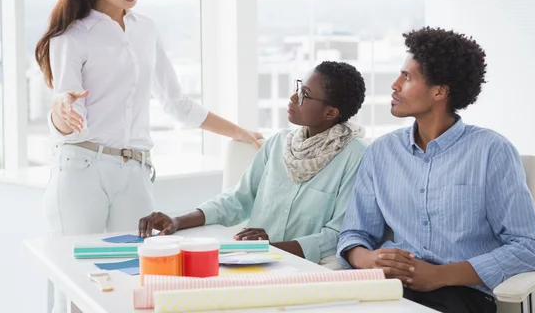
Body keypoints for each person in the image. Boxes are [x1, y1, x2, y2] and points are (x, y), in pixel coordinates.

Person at [34, 0, 260, 313]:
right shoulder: (72, 37)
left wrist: (241, 132)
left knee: (135, 277)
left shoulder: (146, 30)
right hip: (81, 167)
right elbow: (67, 108)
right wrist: (59, 112)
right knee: (76, 280)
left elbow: (177, 103)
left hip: (135, 170)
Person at [337, 27, 535, 313]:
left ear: (440, 91)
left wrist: (439, 276)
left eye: (407, 76)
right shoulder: (381, 152)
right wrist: (367, 259)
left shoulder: (491, 151)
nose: (395, 85)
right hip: (386, 288)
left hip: (460, 296)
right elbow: (355, 233)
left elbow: (530, 248)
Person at [139, 61, 367, 265]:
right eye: (298, 88)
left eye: (304, 95)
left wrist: (270, 248)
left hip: (303, 268)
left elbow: (336, 234)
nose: (292, 98)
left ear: (330, 113)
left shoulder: (355, 157)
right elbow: (238, 199)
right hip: (252, 261)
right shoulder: (279, 143)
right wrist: (177, 221)